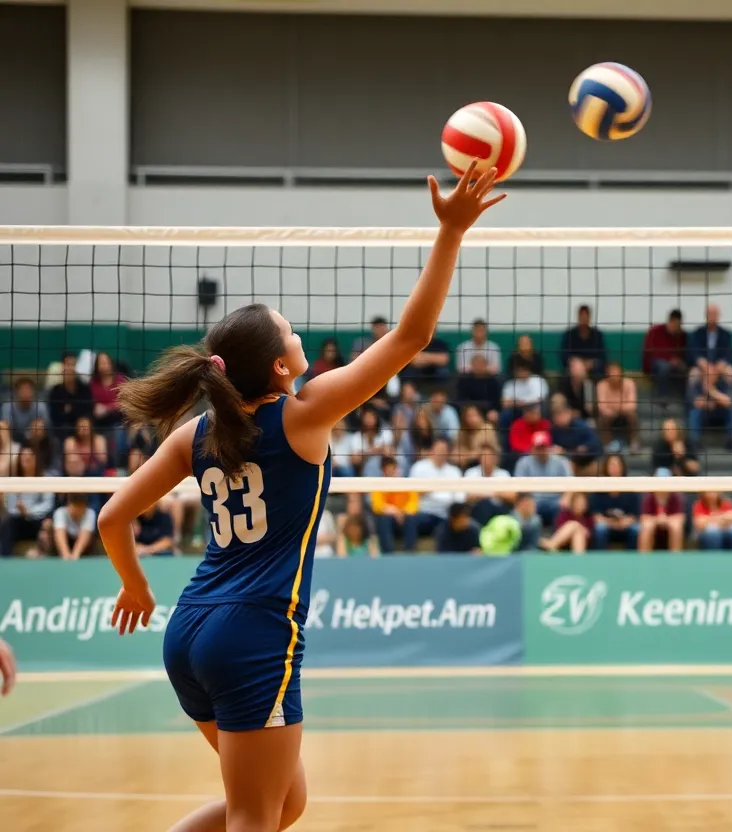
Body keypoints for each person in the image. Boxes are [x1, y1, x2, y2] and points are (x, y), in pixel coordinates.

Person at [96, 165, 503, 832]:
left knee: (282, 803)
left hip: (189, 631)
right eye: (290, 332)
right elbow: (411, 339)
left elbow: (114, 517)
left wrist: (135, 588)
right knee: (259, 815)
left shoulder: (193, 435)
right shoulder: (304, 413)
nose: (298, 335)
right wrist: (451, 233)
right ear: (281, 366)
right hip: (254, 633)